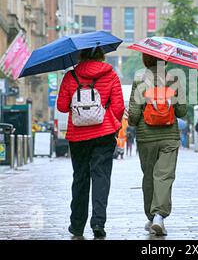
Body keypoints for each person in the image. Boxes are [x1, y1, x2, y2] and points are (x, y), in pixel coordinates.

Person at [57, 47, 124, 239]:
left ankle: (77, 225)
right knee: (101, 178)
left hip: (78, 136)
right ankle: (98, 223)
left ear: (81, 55)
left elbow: (61, 107)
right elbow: (118, 107)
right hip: (104, 134)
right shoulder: (110, 75)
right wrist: (112, 123)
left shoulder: (70, 76)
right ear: (101, 55)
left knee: (80, 178)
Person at [128, 54, 187, 236]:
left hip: (146, 138)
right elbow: (182, 111)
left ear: (145, 61)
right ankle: (159, 216)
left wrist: (130, 117)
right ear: (165, 61)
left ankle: (152, 215)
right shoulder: (174, 79)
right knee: (164, 176)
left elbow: (134, 117)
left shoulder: (139, 80)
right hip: (169, 135)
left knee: (149, 176)